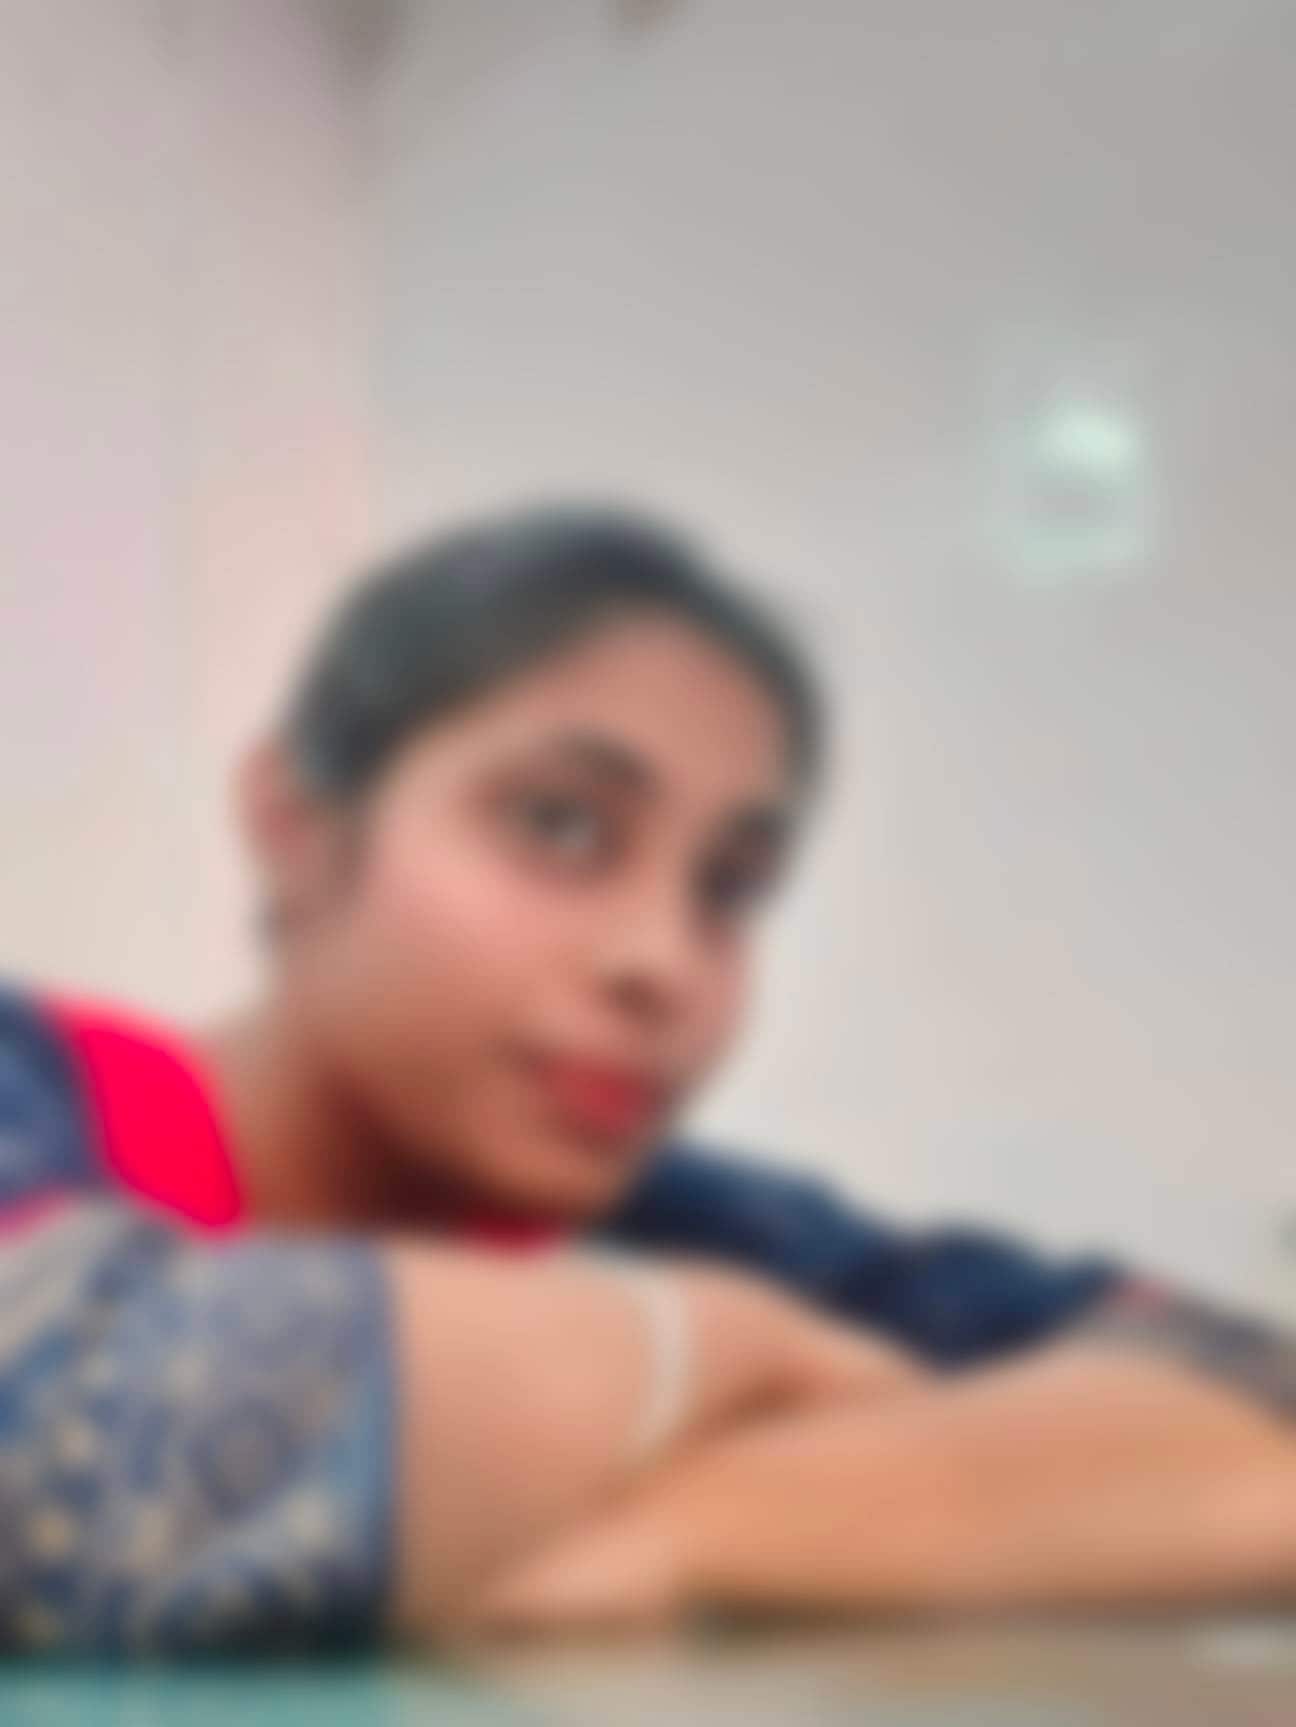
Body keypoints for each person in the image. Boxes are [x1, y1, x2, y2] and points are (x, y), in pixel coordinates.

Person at [2, 506, 1294, 1652]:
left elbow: (1249, 1391)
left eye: (729, 887)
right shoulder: (36, 1090)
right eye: (559, 825)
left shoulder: (695, 1224)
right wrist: (711, 1351)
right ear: (296, 823)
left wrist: (696, 1532)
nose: (660, 963)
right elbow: (57, 1427)